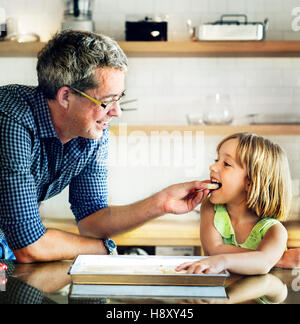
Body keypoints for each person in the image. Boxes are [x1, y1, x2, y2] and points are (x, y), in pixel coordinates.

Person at [0, 30, 212, 263]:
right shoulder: (11, 118)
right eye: (107, 101)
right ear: (65, 96)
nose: (116, 112)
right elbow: (29, 246)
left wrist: (161, 203)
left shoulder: (91, 130)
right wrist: (102, 249)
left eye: (120, 98)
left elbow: (93, 220)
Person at [176, 133, 299, 275]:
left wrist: (265, 259)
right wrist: (278, 259)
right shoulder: (211, 208)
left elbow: (263, 264)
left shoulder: (275, 231)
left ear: (250, 182)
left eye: (226, 164)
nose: (212, 167)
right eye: (217, 159)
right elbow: (213, 250)